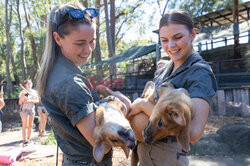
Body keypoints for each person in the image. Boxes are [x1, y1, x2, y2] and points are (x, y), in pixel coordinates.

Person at [36, 2, 131, 166]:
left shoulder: (62, 71)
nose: (88, 50)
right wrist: (119, 104)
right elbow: (101, 144)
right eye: (80, 43)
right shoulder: (69, 83)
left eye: (92, 41)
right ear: (58, 38)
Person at [127, 9, 217, 166]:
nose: (171, 45)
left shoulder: (199, 71)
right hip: (145, 155)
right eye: (164, 40)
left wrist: (144, 106)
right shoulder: (164, 69)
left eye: (178, 37)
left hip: (167, 159)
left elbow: (194, 133)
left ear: (193, 34)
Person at [18, 79, 39, 145]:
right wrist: (22, 96)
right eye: (28, 84)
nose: (30, 85)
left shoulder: (34, 92)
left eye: (30, 83)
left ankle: (29, 138)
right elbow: (20, 102)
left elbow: (37, 100)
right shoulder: (22, 92)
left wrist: (30, 101)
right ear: (25, 85)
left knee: (30, 125)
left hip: (31, 109)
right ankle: (24, 140)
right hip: (24, 110)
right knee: (25, 125)